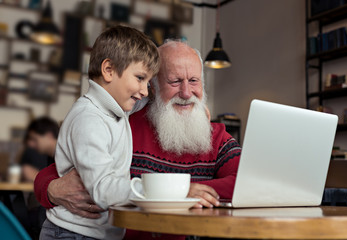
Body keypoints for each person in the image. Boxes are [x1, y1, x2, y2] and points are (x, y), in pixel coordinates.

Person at [34, 41, 241, 240]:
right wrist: (50, 189)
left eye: (194, 81)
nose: (187, 93)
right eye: (174, 81)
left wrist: (178, 194)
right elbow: (60, 170)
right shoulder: (123, 123)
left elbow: (248, 181)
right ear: (153, 86)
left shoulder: (214, 135)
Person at [39, 25, 160, 240]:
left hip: (93, 233)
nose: (144, 90)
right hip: (72, 234)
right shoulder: (90, 119)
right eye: (140, 78)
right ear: (109, 70)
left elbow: (152, 100)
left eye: (148, 82)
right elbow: (103, 189)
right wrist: (158, 191)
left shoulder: (116, 107)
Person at [19, 117, 58, 239]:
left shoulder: (63, 154)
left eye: (35, 139)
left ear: (49, 135)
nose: (31, 144)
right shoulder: (50, 156)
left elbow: (59, 186)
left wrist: (37, 176)